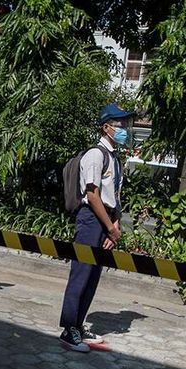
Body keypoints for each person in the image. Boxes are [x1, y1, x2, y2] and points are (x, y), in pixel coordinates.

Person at [58, 103, 134, 353]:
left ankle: (79, 325)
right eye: (120, 125)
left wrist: (115, 225)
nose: (124, 129)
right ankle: (69, 329)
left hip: (105, 220)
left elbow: (115, 196)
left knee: (92, 276)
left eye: (125, 124)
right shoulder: (95, 155)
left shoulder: (115, 158)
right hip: (91, 219)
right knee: (81, 274)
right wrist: (108, 226)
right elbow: (92, 195)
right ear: (106, 127)